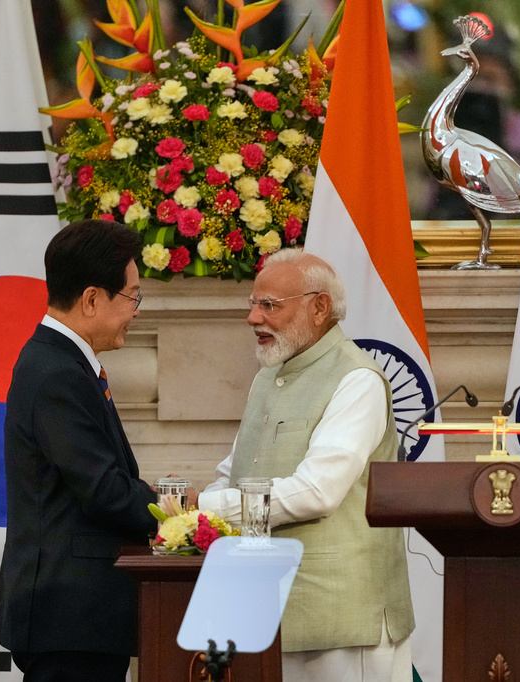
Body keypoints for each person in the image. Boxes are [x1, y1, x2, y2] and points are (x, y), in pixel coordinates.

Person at [197, 248, 415, 682]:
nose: (253, 318)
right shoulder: (269, 373)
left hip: (338, 619)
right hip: (264, 610)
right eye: (253, 304)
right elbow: (235, 469)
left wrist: (205, 509)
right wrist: (185, 511)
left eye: (270, 306)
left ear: (320, 308)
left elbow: (318, 490)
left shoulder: (357, 379)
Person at [0, 219, 158, 682]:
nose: (137, 311)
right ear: (91, 299)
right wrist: (176, 513)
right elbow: (103, 489)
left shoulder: (60, 362)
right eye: (132, 296)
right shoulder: (56, 371)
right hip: (69, 613)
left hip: (78, 616)